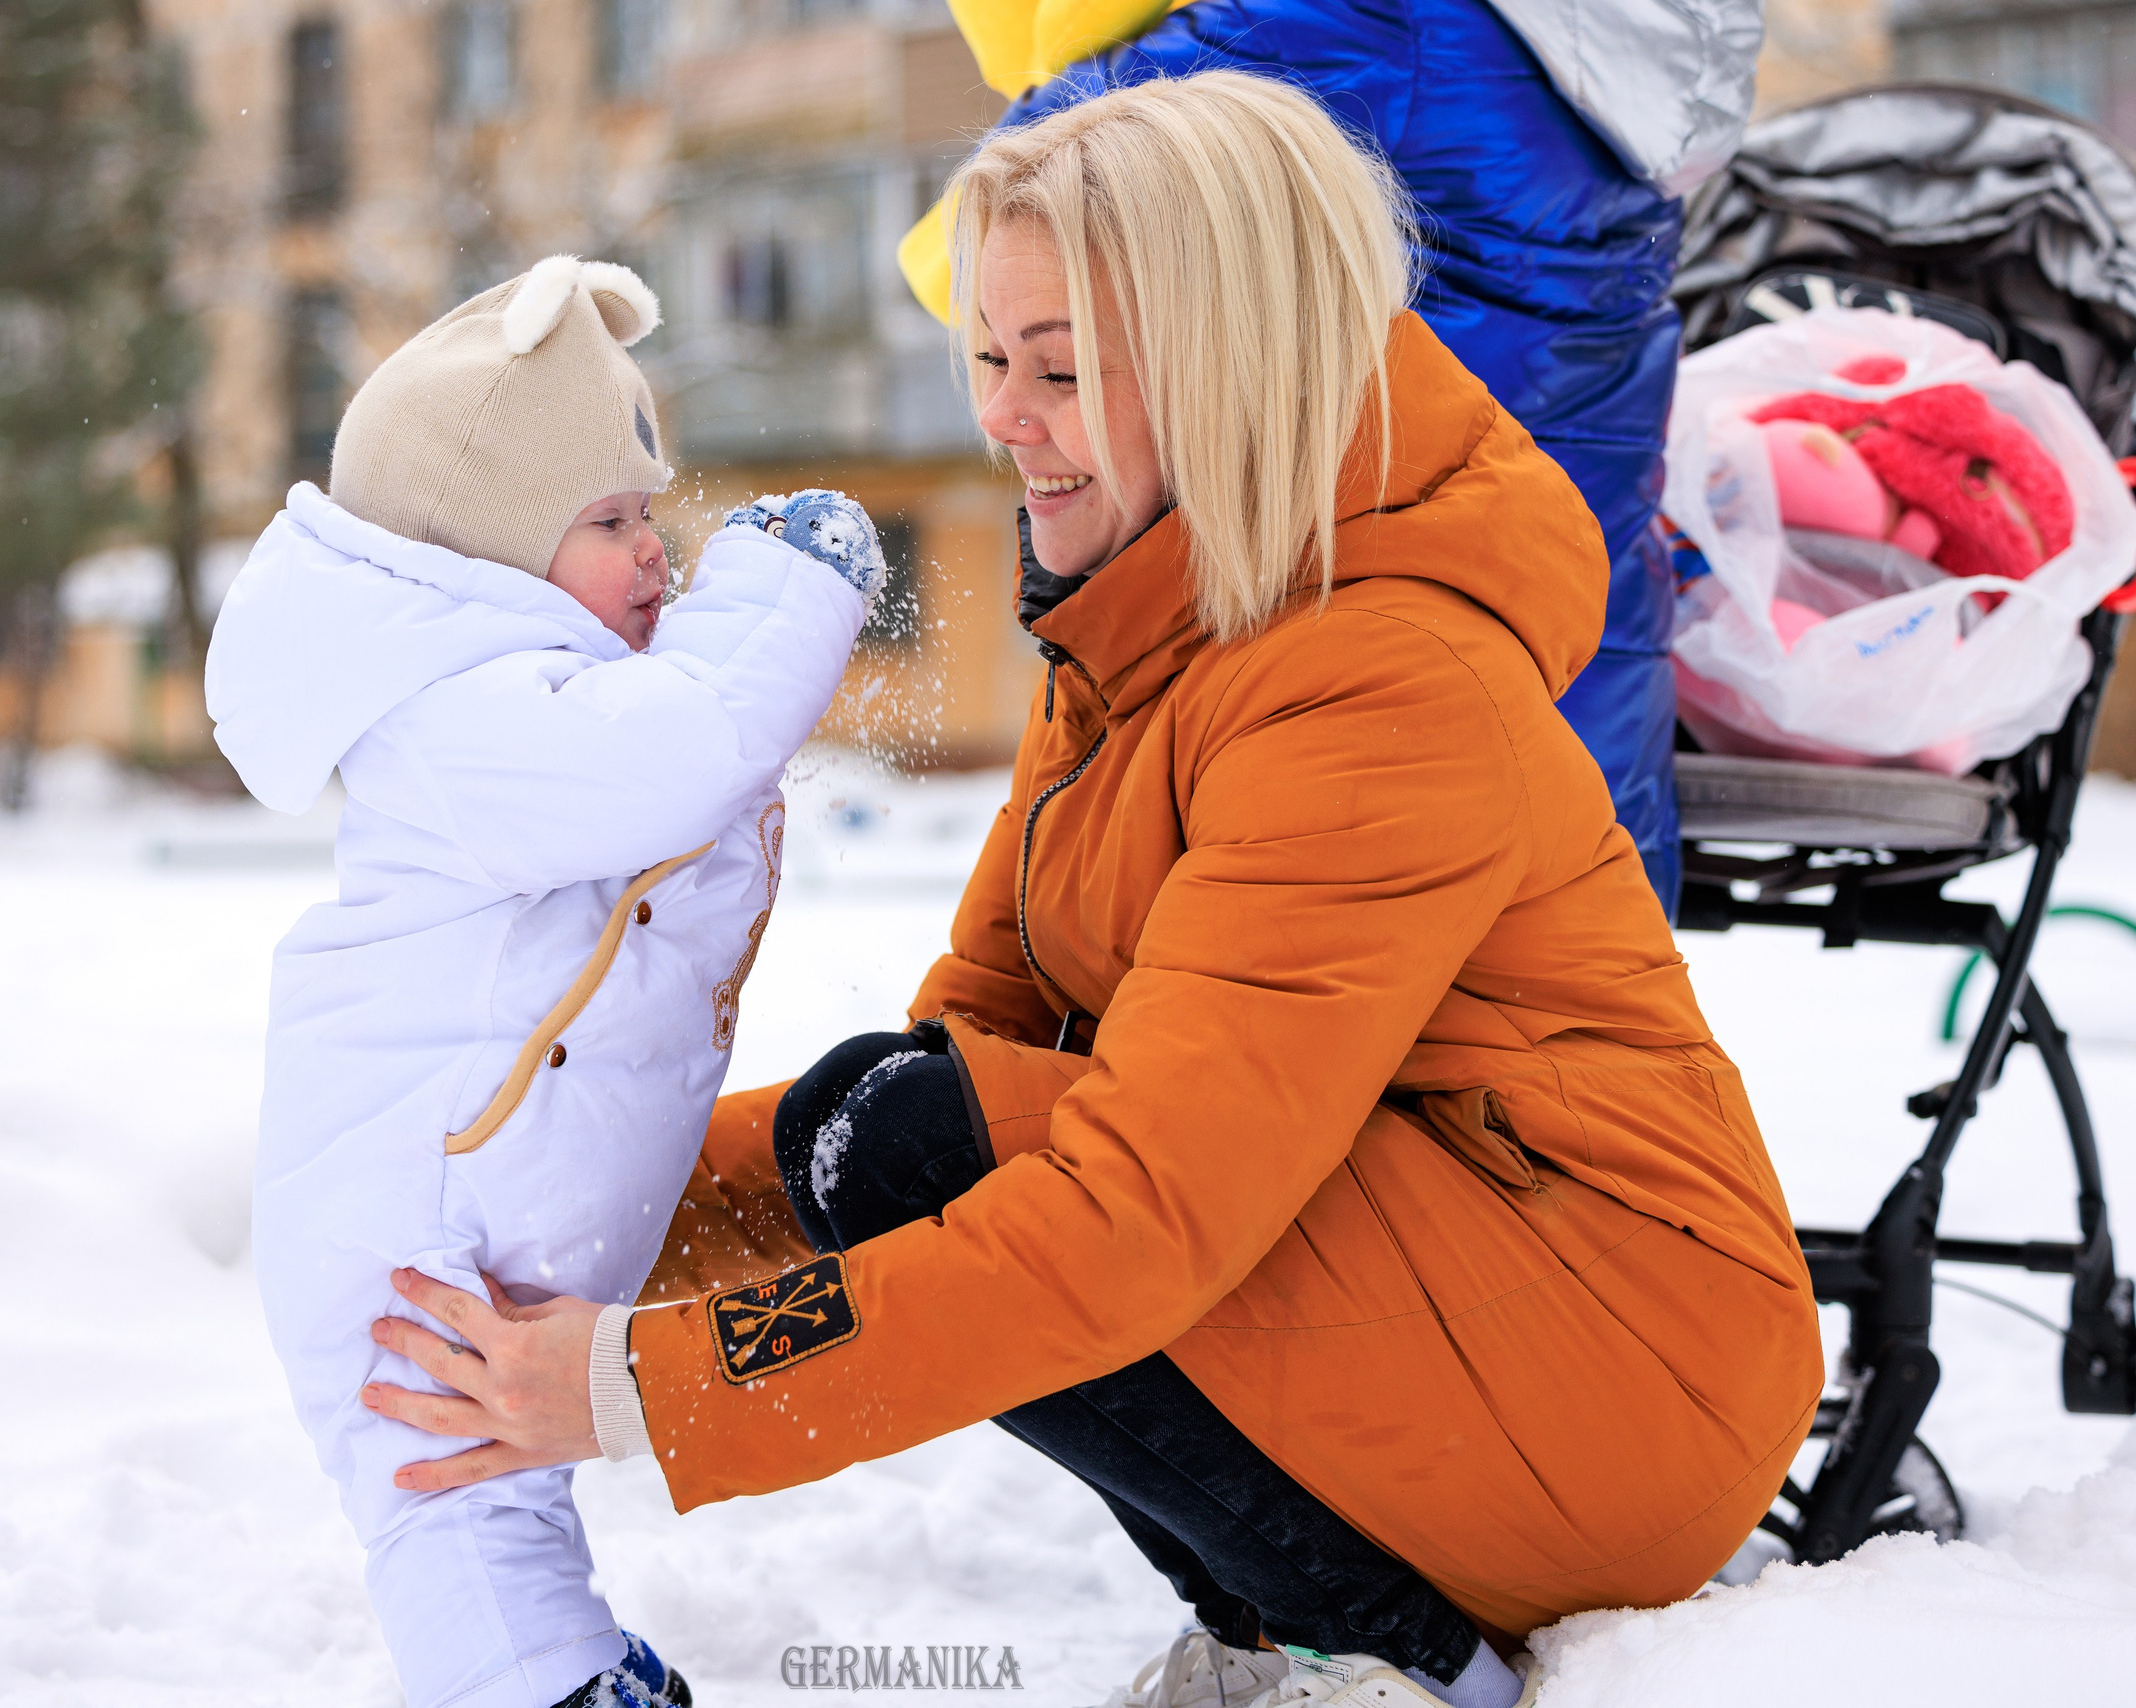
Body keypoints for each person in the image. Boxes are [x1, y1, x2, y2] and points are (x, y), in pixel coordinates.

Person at [361, 76, 1820, 1708]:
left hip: (1615, 1378)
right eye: (992, 357)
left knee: (936, 1153)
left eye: (1060, 368)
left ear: (1229, 368)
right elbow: (963, 1056)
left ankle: (1393, 1656)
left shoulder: (1377, 684)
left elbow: (1139, 1211)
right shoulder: (1148, 620)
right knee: (895, 1117)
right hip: (1450, 1295)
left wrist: (638, 1382)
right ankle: (1289, 1629)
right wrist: (540, 1207)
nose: (1005, 417)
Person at [204, 257, 887, 1708]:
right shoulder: (458, 724)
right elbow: (685, 751)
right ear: (492, 554)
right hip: (412, 1231)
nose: (658, 552)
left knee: (478, 1486)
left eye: (655, 515)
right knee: (447, 1493)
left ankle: (557, 1669)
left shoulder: (546, 712)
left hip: (473, 1206)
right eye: (610, 521)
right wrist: (785, 583)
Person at [899, 0, 1770, 916]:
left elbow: (997, 225)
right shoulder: (1597, 65)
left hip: (1380, 639)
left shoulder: (1358, 17)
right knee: (1572, 981)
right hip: (1578, 636)